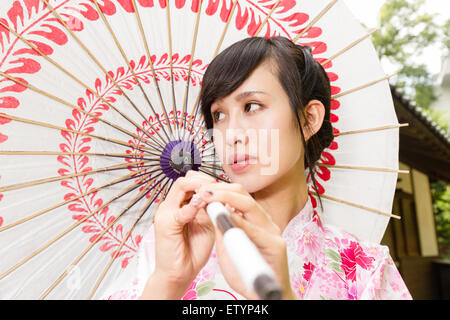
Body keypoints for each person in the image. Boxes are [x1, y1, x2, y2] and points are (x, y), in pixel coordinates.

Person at [102, 36, 412, 300]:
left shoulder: (364, 268)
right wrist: (167, 282)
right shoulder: (171, 246)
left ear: (309, 119)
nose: (231, 134)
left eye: (251, 106)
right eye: (218, 115)